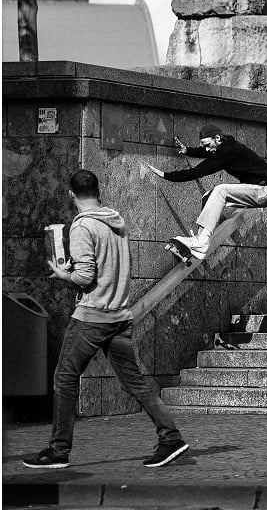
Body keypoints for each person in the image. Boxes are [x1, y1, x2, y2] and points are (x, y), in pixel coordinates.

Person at [24, 170, 189, 470]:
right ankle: (171, 437)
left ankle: (59, 451)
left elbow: (86, 276)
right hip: (119, 315)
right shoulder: (116, 221)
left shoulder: (82, 227)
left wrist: (65, 274)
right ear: (98, 192)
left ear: (71, 194)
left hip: (91, 317)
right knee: (136, 381)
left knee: (64, 378)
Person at [145, 123, 267, 261]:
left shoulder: (227, 151)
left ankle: (201, 242)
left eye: (208, 144)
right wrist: (188, 151)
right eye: (205, 146)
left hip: (265, 190)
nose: (207, 149)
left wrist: (166, 175)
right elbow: (208, 151)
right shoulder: (225, 146)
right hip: (256, 190)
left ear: (217, 138)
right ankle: (199, 240)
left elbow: (196, 172)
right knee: (208, 196)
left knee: (221, 191)